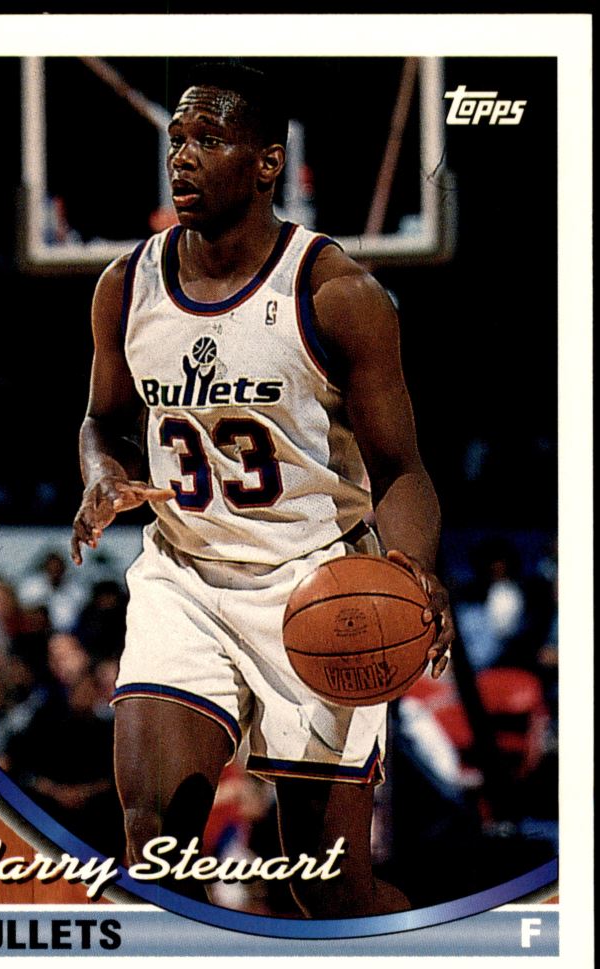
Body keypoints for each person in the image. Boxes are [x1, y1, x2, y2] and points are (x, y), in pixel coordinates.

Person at [70, 62, 454, 918]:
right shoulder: (125, 286)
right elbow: (104, 421)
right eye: (177, 139)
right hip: (184, 578)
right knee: (154, 847)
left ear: (268, 162)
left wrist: (415, 563)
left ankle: (437, 955)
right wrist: (101, 472)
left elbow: (401, 467)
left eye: (208, 140)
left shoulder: (338, 294)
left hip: (315, 582)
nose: (182, 157)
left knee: (326, 887)